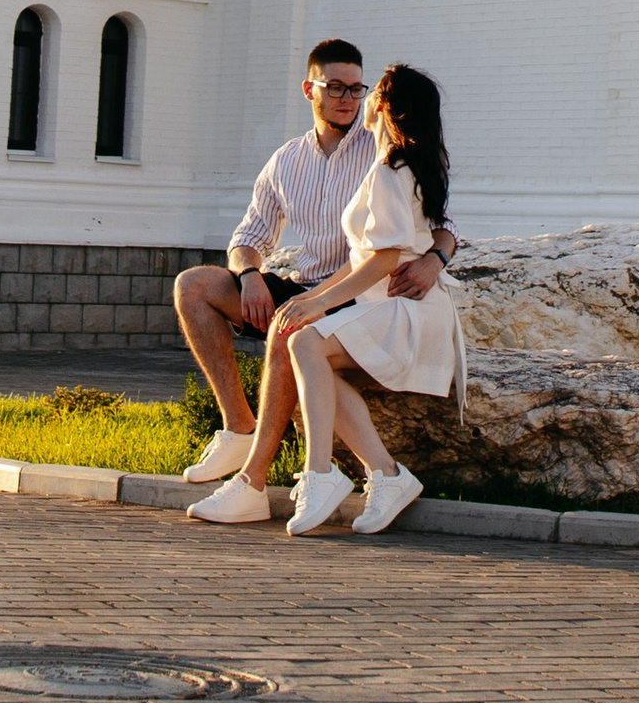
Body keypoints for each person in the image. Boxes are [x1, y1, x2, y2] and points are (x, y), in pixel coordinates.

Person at [189, 63, 457, 536]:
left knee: (302, 341)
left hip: (398, 306)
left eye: (364, 90)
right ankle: (384, 474)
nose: (355, 98)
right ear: (310, 90)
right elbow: (364, 256)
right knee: (304, 348)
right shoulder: (398, 162)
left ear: (384, 107)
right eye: (338, 87)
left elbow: (385, 257)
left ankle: (317, 474)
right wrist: (292, 290)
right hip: (375, 298)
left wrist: (316, 303)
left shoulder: (389, 168)